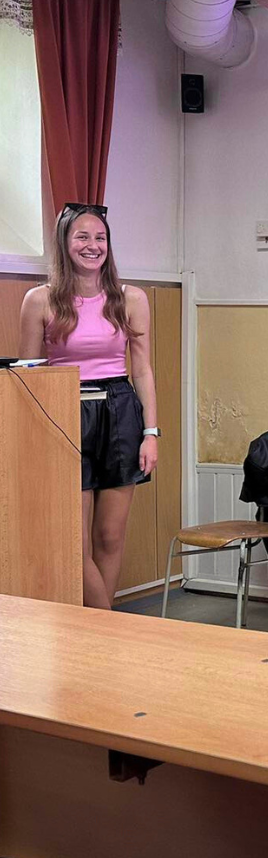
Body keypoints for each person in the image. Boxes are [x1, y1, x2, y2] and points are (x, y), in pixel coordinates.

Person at [17, 203, 159, 610]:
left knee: (110, 537)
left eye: (100, 237)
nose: (92, 245)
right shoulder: (39, 300)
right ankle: (106, 627)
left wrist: (151, 433)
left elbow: (142, 370)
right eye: (82, 236)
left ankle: (99, 632)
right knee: (73, 542)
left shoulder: (131, 298)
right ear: (65, 243)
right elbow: (29, 375)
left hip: (120, 412)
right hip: (64, 413)